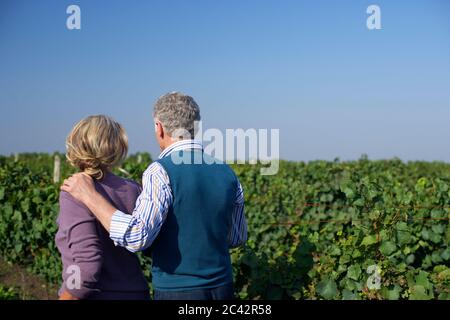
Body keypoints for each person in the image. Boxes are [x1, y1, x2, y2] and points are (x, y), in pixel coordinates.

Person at [61, 92, 248, 300]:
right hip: (223, 287)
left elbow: (137, 238)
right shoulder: (227, 172)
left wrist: (91, 197)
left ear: (159, 128)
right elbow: (236, 237)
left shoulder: (160, 171)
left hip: (177, 290)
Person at [55, 115, 150, 300]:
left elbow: (87, 267)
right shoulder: (133, 189)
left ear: (76, 144)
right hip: (137, 292)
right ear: (117, 147)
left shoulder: (73, 192)